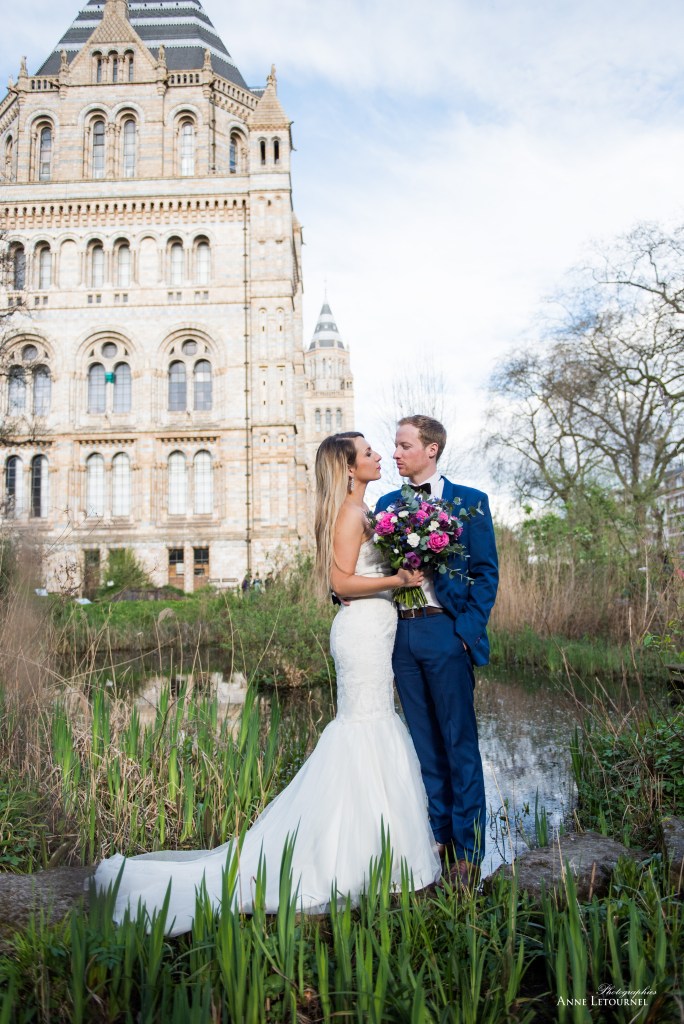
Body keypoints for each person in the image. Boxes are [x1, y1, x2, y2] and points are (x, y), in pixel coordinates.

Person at [93, 432, 440, 934]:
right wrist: (397, 581)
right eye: (367, 453)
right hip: (362, 628)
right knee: (365, 727)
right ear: (347, 467)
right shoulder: (348, 513)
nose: (378, 456)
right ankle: (352, 860)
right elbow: (340, 583)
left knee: (373, 725)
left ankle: (372, 852)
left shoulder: (365, 512)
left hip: (373, 627)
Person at [375, 415, 499, 890]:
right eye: (395, 446)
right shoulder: (386, 506)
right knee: (424, 746)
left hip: (447, 632)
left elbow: (486, 573)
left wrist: (465, 631)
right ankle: (440, 837)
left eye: (404, 445)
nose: (396, 453)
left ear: (431, 448)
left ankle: (468, 853)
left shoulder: (471, 502)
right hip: (402, 637)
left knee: (459, 744)